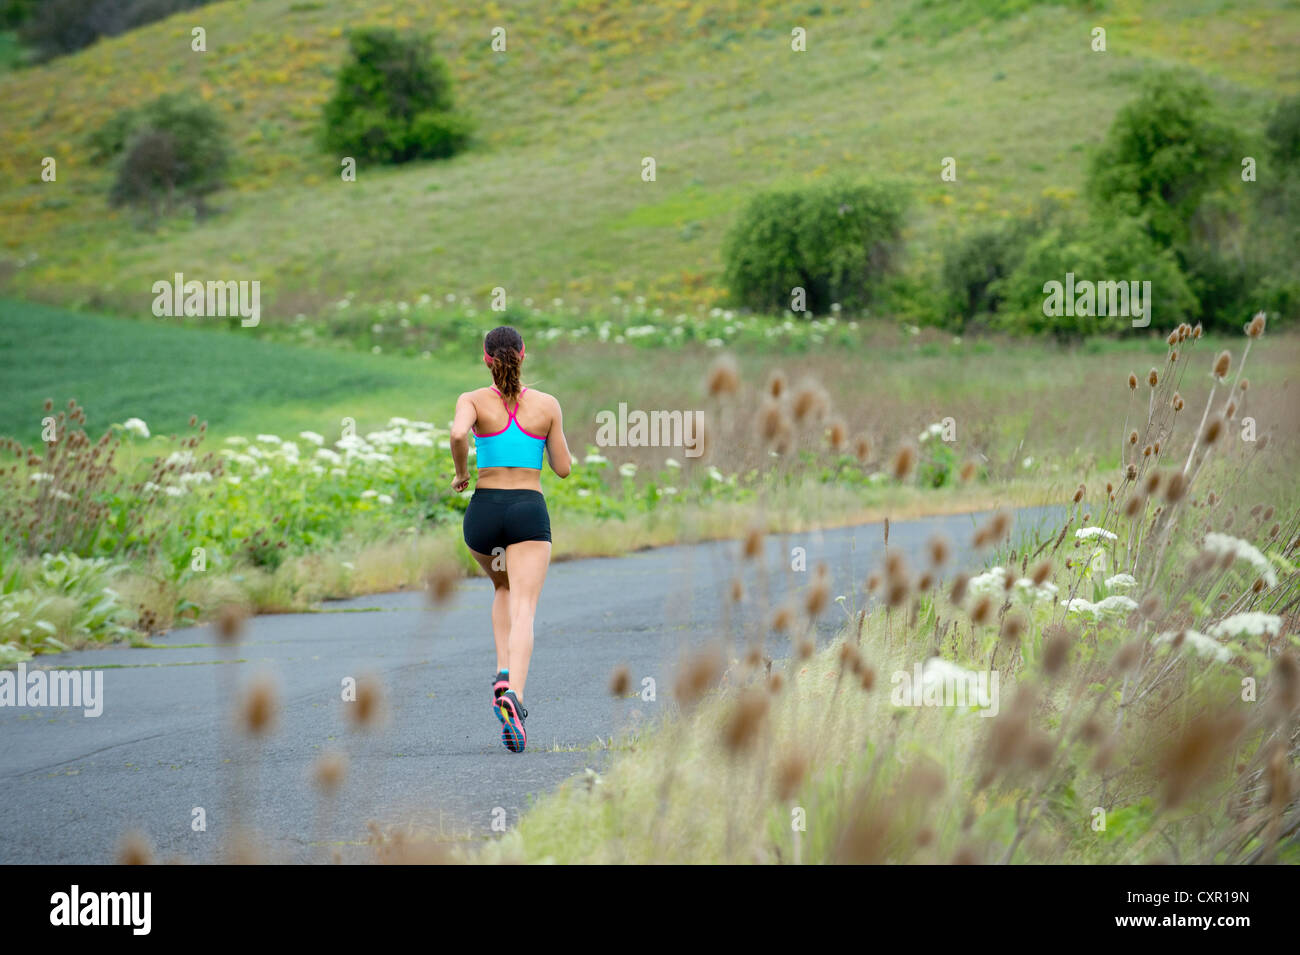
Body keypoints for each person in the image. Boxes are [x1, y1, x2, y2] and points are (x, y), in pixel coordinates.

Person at [450, 326, 571, 753]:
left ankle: (502, 669)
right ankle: (514, 697)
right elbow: (563, 469)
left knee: (501, 585)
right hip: (526, 510)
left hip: (484, 513)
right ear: (523, 354)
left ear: (486, 359)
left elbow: (458, 434)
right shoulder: (546, 405)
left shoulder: (472, 400)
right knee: (525, 607)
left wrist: (463, 473)